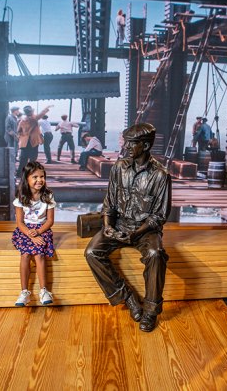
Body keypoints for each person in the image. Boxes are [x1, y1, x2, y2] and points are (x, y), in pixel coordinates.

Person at [84, 123, 172, 332]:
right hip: (119, 224)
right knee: (91, 252)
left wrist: (136, 233)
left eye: (132, 143)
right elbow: (110, 203)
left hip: (145, 230)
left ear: (145, 145)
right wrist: (107, 226)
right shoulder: (118, 168)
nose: (126, 147)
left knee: (156, 254)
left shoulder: (160, 175)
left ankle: (150, 311)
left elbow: (159, 216)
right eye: (126, 142)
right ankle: (128, 298)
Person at [12, 161, 56, 306]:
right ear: (26, 179)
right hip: (25, 230)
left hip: (42, 228)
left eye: (42, 176)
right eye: (35, 177)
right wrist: (31, 235)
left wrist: (38, 232)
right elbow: (19, 222)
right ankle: (24, 292)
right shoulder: (21, 196)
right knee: (25, 254)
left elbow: (50, 221)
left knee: (39, 254)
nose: (39, 180)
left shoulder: (48, 196)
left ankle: (44, 291)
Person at [17, 104, 51, 175]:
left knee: (23, 159)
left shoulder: (22, 121)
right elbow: (41, 114)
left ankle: (19, 173)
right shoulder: (34, 118)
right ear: (31, 112)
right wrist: (47, 107)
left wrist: (22, 137)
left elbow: (18, 131)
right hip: (33, 141)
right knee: (33, 158)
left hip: (24, 142)